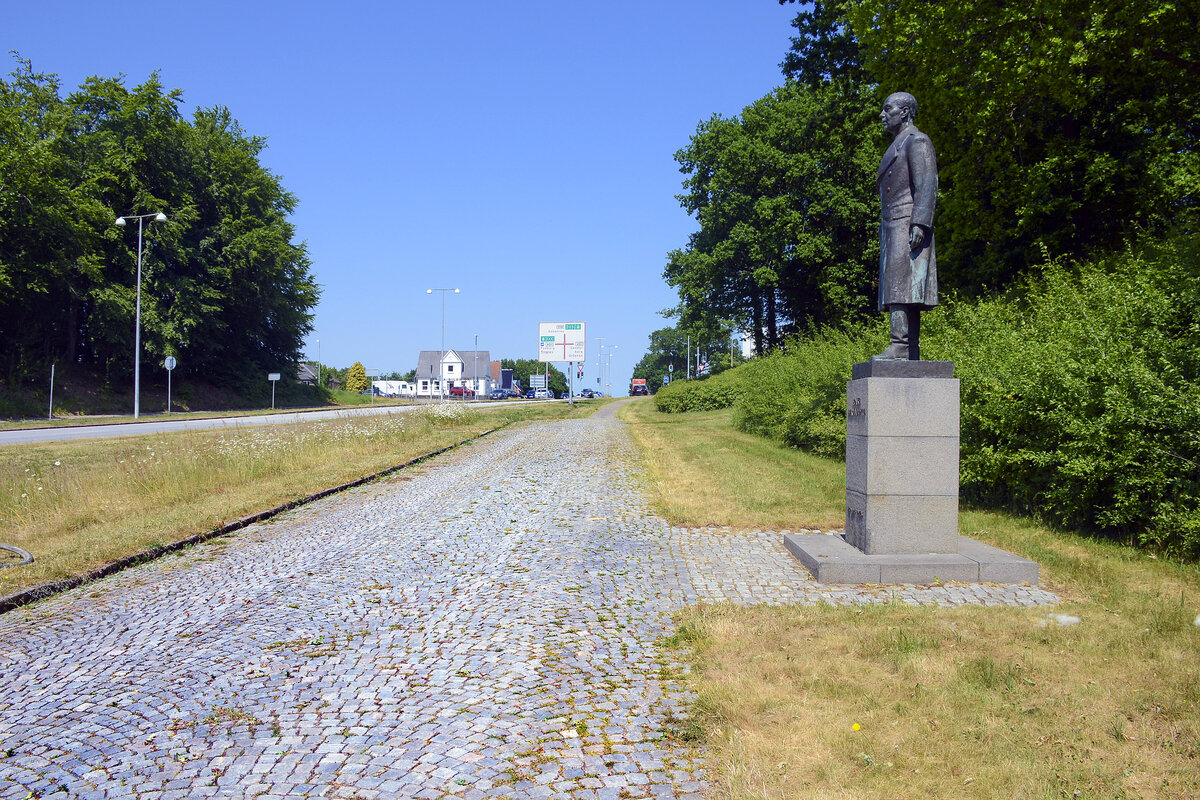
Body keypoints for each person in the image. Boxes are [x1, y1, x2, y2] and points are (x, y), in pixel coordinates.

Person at [874, 91, 938, 361]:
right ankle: (907, 347)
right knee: (897, 284)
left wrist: (920, 223)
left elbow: (927, 184)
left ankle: (901, 345)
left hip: (907, 221)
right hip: (891, 224)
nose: (882, 115)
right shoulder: (897, 144)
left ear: (905, 112)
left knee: (902, 283)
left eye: (888, 109)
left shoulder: (917, 141)